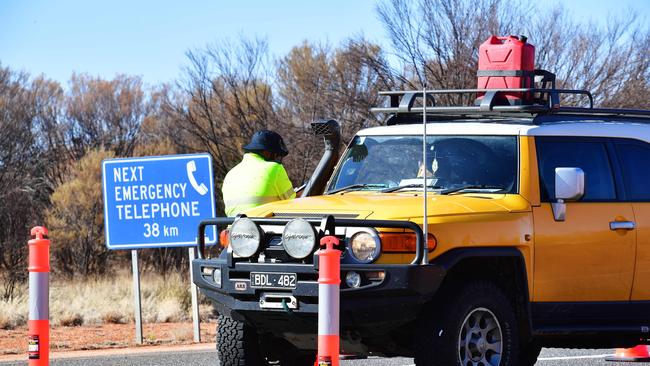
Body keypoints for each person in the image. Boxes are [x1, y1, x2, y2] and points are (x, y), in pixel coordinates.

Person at [222, 130, 296, 216]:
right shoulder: (275, 168)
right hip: (263, 227)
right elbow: (293, 203)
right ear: (267, 153)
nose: (277, 158)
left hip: (234, 227)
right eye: (276, 154)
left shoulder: (230, 174)